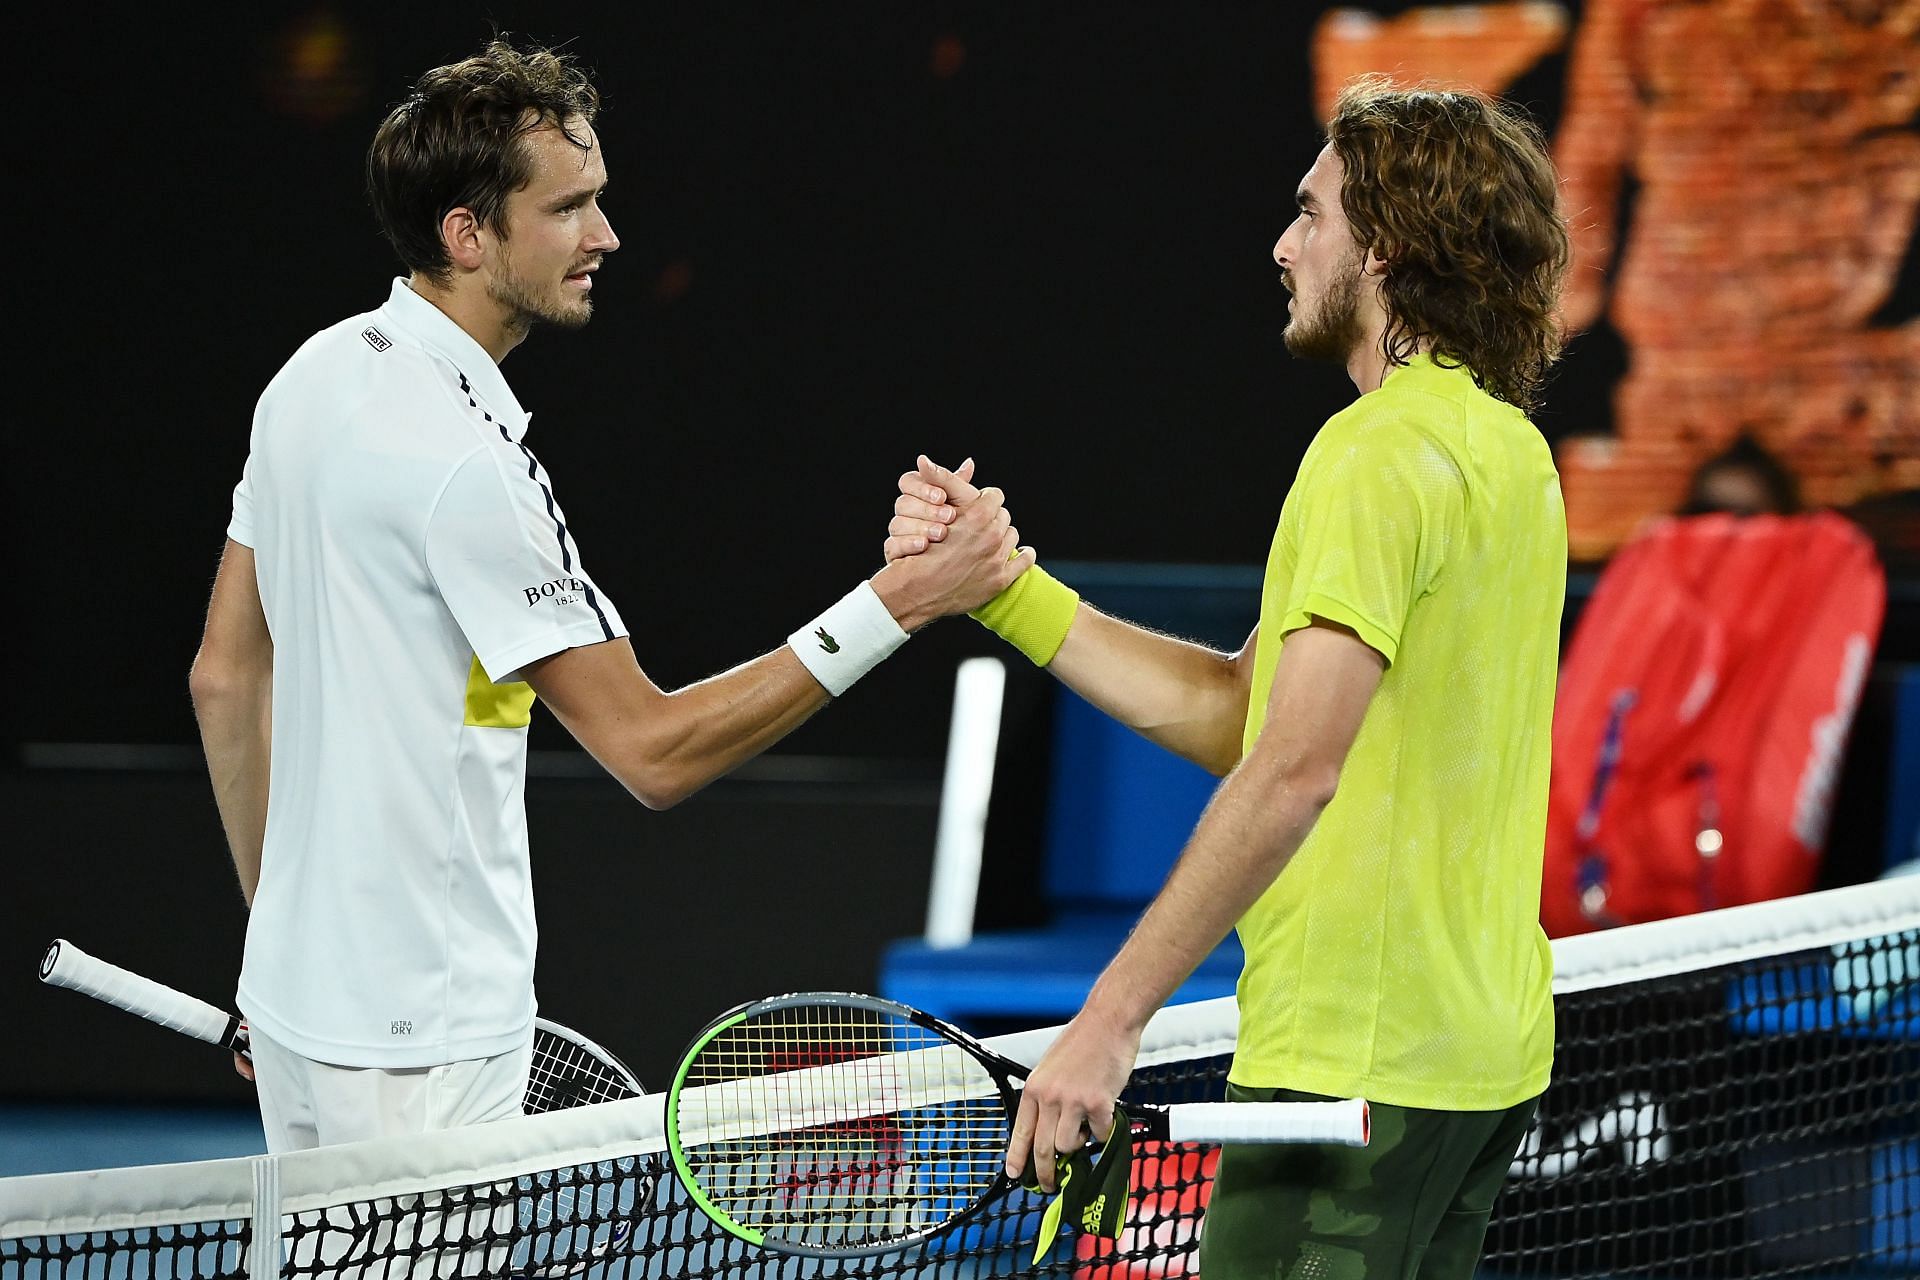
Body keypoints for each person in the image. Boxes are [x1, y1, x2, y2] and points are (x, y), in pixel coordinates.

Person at [188, 38, 1028, 1155]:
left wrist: (280, 945)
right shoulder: (466, 466)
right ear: (468, 235)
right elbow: (654, 749)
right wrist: (900, 602)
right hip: (424, 1041)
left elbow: (224, 675)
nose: (606, 237)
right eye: (570, 209)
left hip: (304, 1009)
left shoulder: (313, 374)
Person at [888, 79, 1571, 1279]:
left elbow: (1294, 768)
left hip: (1352, 1074)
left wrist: (1107, 1021)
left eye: (1313, 214)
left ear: (1392, 244)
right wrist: (1003, 589)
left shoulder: (1370, 456)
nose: (1284, 242)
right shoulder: (1505, 450)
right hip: (1476, 1070)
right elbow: (1238, 714)